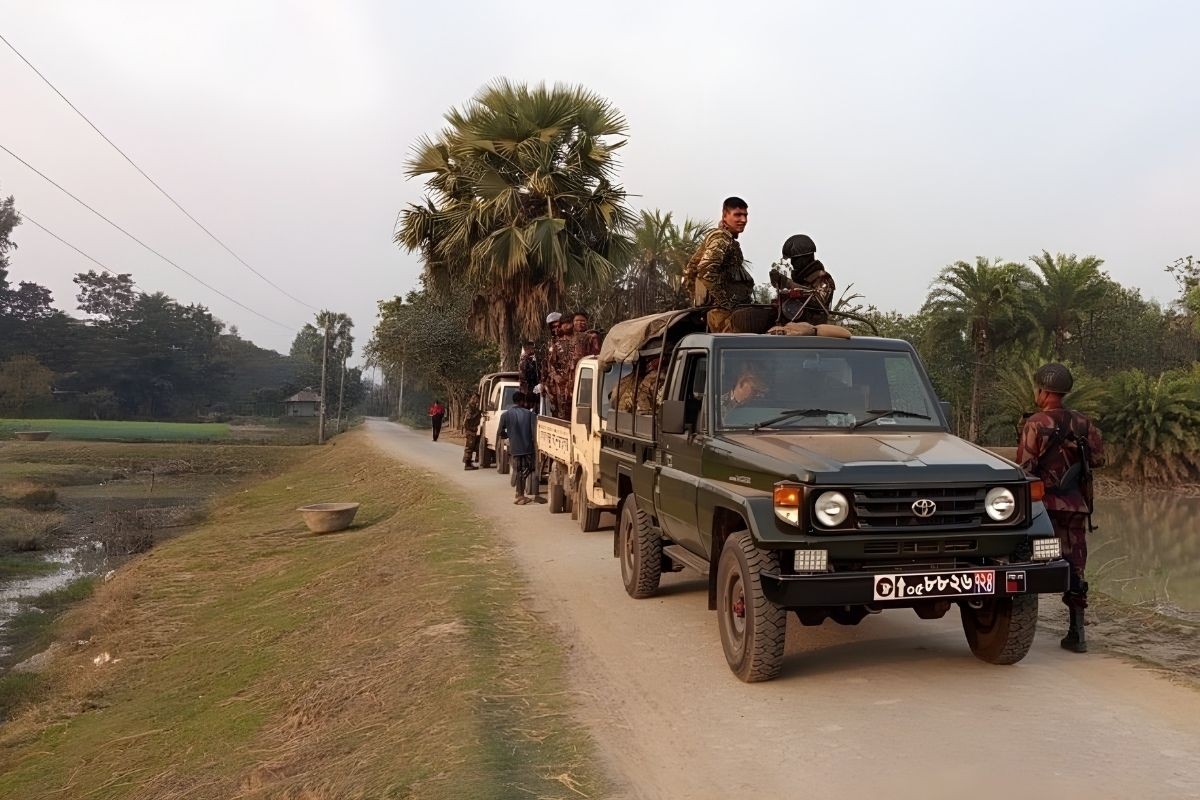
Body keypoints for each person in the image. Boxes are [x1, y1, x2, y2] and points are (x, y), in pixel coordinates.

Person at [1016, 363, 1105, 653]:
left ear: (1043, 391)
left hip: (1044, 509)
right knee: (1076, 565)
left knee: (1039, 560)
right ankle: (1077, 632)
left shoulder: (1036, 423)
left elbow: (1025, 467)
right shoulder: (1083, 423)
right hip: (1076, 506)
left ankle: (1022, 625)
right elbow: (1099, 459)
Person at [683, 197, 755, 333]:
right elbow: (705, 270)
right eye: (737, 215)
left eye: (745, 215)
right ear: (725, 215)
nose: (743, 220)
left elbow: (691, 272)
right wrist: (725, 303)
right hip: (722, 315)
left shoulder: (728, 239)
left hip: (725, 312)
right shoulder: (721, 238)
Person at [770, 234, 837, 325]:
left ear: (807, 258)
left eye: (795, 259)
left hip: (814, 329)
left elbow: (818, 299)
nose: (792, 262)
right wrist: (779, 284)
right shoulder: (801, 280)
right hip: (793, 325)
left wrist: (788, 283)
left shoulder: (823, 279)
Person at [499, 391, 540, 505]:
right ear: (522, 401)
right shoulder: (531, 415)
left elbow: (500, 432)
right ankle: (520, 495)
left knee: (517, 470)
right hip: (528, 449)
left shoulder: (505, 415)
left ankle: (519, 494)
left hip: (515, 448)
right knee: (526, 470)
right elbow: (534, 433)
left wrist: (509, 436)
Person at [462, 395, 482, 470]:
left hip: (472, 429)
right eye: (477, 399)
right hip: (470, 430)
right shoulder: (469, 407)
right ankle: (467, 464)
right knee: (469, 447)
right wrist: (478, 413)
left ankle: (469, 462)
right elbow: (468, 418)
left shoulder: (473, 407)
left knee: (472, 446)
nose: (477, 401)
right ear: (473, 398)